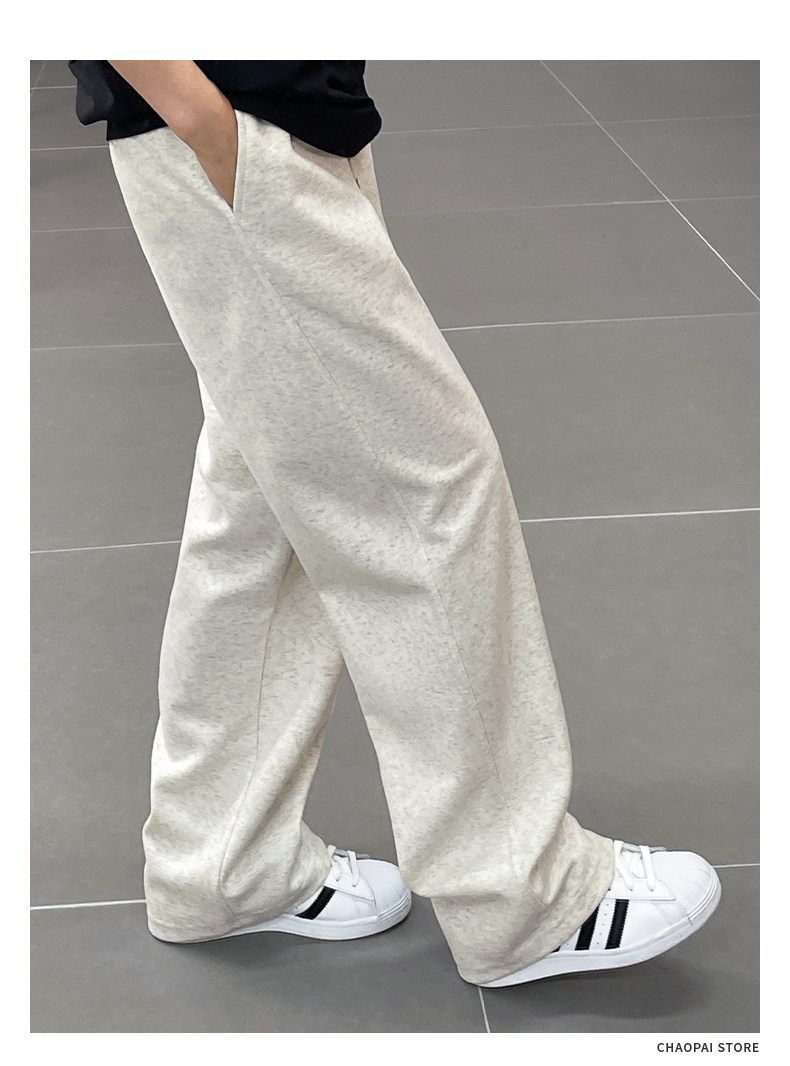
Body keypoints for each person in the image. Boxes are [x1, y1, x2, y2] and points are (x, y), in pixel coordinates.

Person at [66, 59, 721, 989]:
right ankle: (519, 897)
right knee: (424, 492)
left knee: (264, 514)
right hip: (223, 123)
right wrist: (207, 122)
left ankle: (219, 862)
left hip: (269, 121)